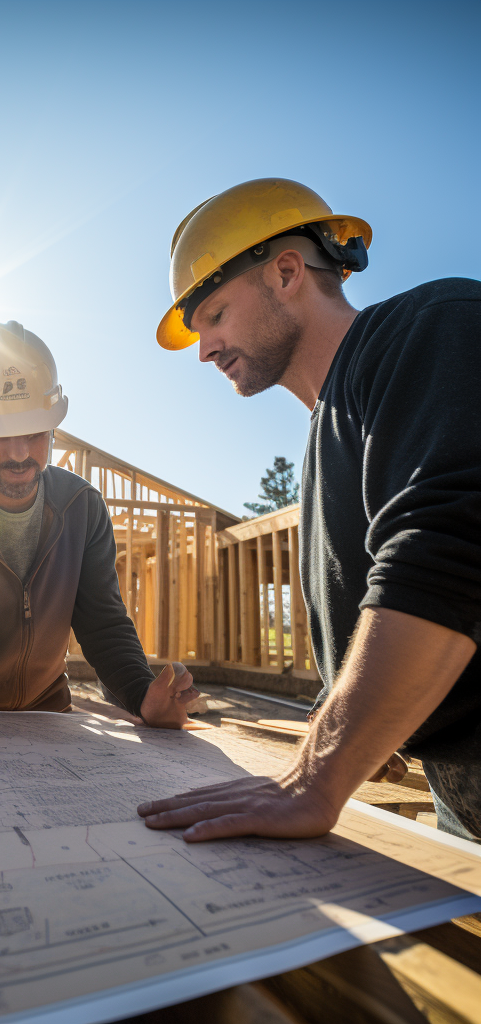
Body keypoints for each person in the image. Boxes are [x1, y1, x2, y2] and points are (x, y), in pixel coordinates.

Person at [137, 178, 481, 843]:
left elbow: (449, 549)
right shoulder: (329, 440)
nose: (205, 349)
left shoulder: (435, 326)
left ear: (288, 272)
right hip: (457, 795)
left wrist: (319, 773)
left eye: (215, 315)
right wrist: (354, 714)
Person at [0, 320, 200, 733]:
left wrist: (141, 694)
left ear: (53, 425)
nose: (19, 452)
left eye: (34, 432)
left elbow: (103, 626)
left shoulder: (82, 510)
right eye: (0, 433)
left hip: (46, 721)